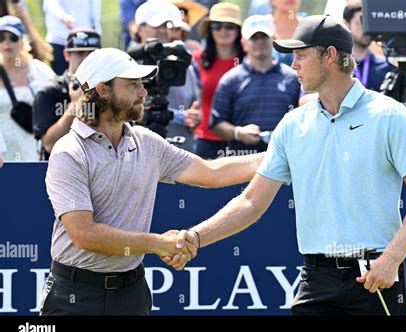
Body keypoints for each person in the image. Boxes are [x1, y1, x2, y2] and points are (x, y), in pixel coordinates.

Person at [164, 15, 406, 316]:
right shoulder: (293, 124)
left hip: (375, 276)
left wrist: (391, 259)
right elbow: (251, 201)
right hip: (316, 279)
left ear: (330, 55)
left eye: (301, 55)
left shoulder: (389, 115)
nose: (293, 65)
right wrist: (196, 236)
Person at [40, 48, 264, 315]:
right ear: (102, 90)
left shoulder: (146, 142)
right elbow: (84, 234)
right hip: (75, 296)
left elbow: (213, 172)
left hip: (132, 293)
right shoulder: (69, 152)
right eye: (133, 85)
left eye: (141, 85)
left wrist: (280, 155)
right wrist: (159, 244)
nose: (143, 93)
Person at [209, 15, 300, 154]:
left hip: (283, 159)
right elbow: (216, 123)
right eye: (254, 38)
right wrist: (238, 133)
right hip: (241, 160)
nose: (260, 42)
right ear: (244, 43)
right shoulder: (230, 80)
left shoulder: (293, 78)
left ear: (274, 39)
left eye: (264, 37)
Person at [134, 1, 201, 152]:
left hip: (181, 152)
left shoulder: (182, 65)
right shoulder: (126, 66)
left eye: (167, 26)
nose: (163, 32)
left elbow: (194, 106)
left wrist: (194, 117)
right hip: (138, 152)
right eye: (157, 26)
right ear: (139, 29)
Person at [33, 29, 101, 160]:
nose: (86, 59)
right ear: (66, 55)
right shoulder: (50, 91)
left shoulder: (107, 90)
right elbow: (50, 144)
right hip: (59, 172)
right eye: (80, 53)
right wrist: (75, 105)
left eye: (91, 54)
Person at [0, 16, 55, 161]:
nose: (7, 43)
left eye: (13, 37)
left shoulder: (39, 71)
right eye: (1, 37)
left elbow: (58, 103)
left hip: (33, 151)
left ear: (23, 40)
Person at [194, 2, 245, 159]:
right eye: (217, 25)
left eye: (229, 26)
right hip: (205, 140)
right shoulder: (197, 59)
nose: (223, 31)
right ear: (210, 29)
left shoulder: (249, 60)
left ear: (238, 30)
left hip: (242, 139)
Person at [342, 1, 395, 92]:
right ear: (347, 24)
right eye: (361, 23)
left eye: (370, 23)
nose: (366, 29)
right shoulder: (337, 68)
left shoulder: (388, 68)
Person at [43, 0, 102, 74]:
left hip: (88, 42)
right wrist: (62, 16)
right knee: (62, 78)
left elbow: (95, 8)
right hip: (60, 38)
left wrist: (97, 31)